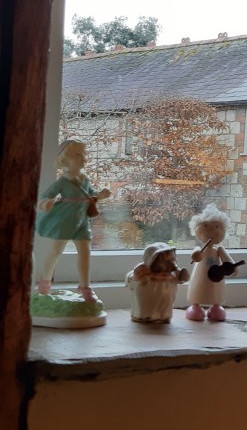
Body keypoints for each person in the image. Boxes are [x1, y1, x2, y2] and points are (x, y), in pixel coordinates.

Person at [35, 139, 110, 300]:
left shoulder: (85, 179)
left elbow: (91, 195)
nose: (83, 158)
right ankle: (45, 281)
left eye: (84, 154)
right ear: (66, 158)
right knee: (56, 251)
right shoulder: (63, 181)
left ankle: (85, 287)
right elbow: (45, 196)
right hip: (65, 221)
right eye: (78, 155)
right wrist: (46, 203)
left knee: (85, 252)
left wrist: (100, 196)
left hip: (82, 222)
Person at [186, 204, 243, 322]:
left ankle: (216, 307)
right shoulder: (199, 249)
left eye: (217, 227)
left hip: (216, 276)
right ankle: (196, 307)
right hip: (200, 275)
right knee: (198, 288)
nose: (212, 230)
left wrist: (232, 267)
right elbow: (195, 255)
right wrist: (196, 255)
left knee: (215, 291)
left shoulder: (219, 250)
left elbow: (227, 261)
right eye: (206, 226)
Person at [126, 243, 189, 324]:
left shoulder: (172, 275)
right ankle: (145, 316)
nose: (171, 264)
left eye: (172, 259)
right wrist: (137, 279)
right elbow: (131, 280)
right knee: (147, 306)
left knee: (165, 307)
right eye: (165, 261)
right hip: (147, 298)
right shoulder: (141, 271)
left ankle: (164, 316)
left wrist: (183, 276)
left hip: (166, 301)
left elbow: (182, 278)